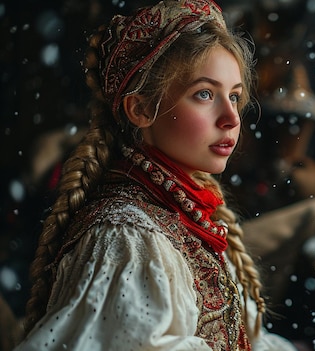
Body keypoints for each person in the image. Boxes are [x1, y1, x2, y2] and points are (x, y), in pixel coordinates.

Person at [12, 1, 298, 350]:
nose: (231, 117)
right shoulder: (127, 239)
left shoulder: (181, 212)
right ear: (142, 109)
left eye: (235, 96)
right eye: (205, 94)